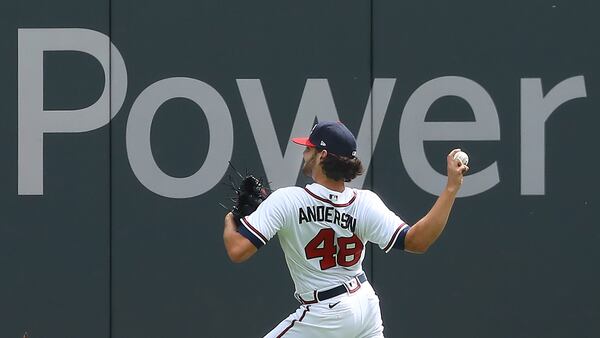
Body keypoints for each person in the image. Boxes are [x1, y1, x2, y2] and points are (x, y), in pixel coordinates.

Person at [223, 121, 469, 337]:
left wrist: (231, 219)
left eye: (309, 147)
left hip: (325, 315)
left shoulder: (288, 200)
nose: (304, 151)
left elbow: (237, 250)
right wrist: (450, 189)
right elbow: (417, 241)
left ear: (322, 155)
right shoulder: (364, 202)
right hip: (365, 307)